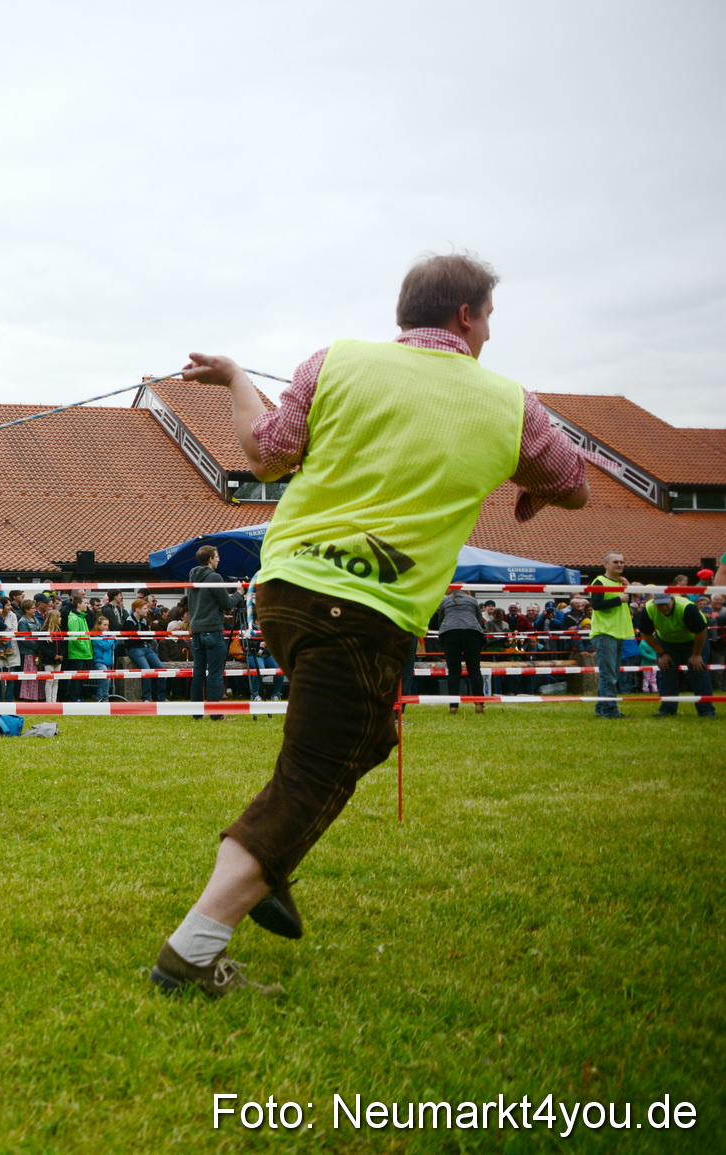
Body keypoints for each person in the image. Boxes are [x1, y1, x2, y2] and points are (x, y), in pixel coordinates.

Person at [154, 252, 588, 998]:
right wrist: (534, 490)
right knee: (313, 775)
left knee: (360, 738)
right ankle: (191, 952)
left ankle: (270, 871)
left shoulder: (334, 361)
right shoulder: (511, 404)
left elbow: (265, 455)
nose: (490, 333)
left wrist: (235, 379)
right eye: (489, 318)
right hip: (366, 608)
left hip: (284, 588)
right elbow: (573, 482)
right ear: (466, 316)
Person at [637, 592, 715, 718]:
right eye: (660, 605)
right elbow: (645, 633)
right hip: (666, 642)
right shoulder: (648, 609)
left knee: (699, 671)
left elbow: (701, 631)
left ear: (672, 600)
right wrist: (662, 654)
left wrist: (696, 655)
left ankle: (706, 710)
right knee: (666, 671)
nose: (664, 608)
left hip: (694, 641)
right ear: (654, 604)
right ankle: (667, 710)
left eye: (666, 604)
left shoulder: (687, 608)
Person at [187, 545, 239, 719]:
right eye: (217, 557)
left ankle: (196, 713)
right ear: (210, 559)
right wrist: (238, 594)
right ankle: (215, 713)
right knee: (215, 673)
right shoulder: (214, 577)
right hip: (212, 629)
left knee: (198, 672)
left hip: (197, 630)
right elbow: (227, 604)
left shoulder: (192, 576)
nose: (219, 559)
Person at [587, 552, 634, 719]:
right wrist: (619, 599)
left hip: (618, 633)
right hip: (605, 633)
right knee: (609, 675)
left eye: (622, 562)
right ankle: (610, 710)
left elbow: (627, 603)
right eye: (615, 562)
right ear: (606, 564)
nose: (619, 564)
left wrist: (629, 589)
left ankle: (601, 708)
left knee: (611, 674)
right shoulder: (599, 581)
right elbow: (596, 604)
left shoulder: (621, 583)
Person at [435, 586, 488, 715]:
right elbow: (479, 620)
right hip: (471, 633)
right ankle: (479, 704)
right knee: (474, 669)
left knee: (453, 670)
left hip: (450, 633)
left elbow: (440, 621)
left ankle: (453, 706)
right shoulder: (472, 600)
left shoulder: (445, 601)